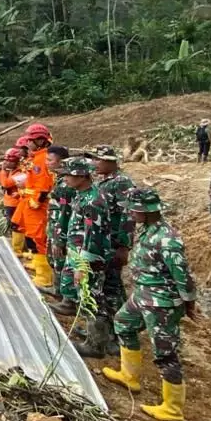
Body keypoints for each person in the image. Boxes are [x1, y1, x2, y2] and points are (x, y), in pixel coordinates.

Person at [101, 187, 197, 421]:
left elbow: (182, 275)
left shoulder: (167, 239)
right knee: (123, 323)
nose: (131, 214)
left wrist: (189, 303)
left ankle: (173, 408)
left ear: (146, 210)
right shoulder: (146, 230)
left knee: (165, 353)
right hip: (143, 294)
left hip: (161, 302)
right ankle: (129, 375)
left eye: (134, 210)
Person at [56, 156, 110, 355]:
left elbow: (93, 237)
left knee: (91, 298)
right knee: (83, 296)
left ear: (82, 176)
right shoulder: (81, 195)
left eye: (70, 175)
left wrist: (82, 265)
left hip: (89, 259)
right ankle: (91, 334)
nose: (66, 179)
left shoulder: (93, 201)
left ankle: (95, 346)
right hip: (78, 254)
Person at [91, 145, 134, 347]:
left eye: (99, 160)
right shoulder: (104, 182)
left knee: (112, 289)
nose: (95, 163)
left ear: (111, 162)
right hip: (103, 242)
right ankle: (107, 329)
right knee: (105, 286)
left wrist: (124, 246)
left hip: (114, 244)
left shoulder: (122, 183)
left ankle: (119, 338)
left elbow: (128, 216)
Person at [12, 123, 55, 289]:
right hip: (29, 202)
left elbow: (44, 184)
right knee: (30, 235)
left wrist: (37, 200)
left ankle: (44, 276)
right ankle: (38, 265)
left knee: (38, 238)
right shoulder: (37, 157)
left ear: (40, 140)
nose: (27, 143)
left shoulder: (42, 159)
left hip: (36, 205)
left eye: (31, 140)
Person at [42, 144, 75, 305]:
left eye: (50, 160)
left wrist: (59, 239)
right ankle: (58, 291)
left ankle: (67, 299)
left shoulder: (66, 186)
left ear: (62, 162)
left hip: (61, 231)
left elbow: (65, 213)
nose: (47, 163)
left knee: (61, 261)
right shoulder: (60, 181)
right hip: (54, 228)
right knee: (54, 260)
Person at [0, 148, 22, 225]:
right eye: (6, 160)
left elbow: (6, 184)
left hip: (15, 204)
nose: (6, 162)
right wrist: (2, 171)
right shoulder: (12, 171)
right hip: (9, 203)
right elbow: (2, 181)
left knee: (15, 226)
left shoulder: (19, 173)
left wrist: (3, 170)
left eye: (9, 161)